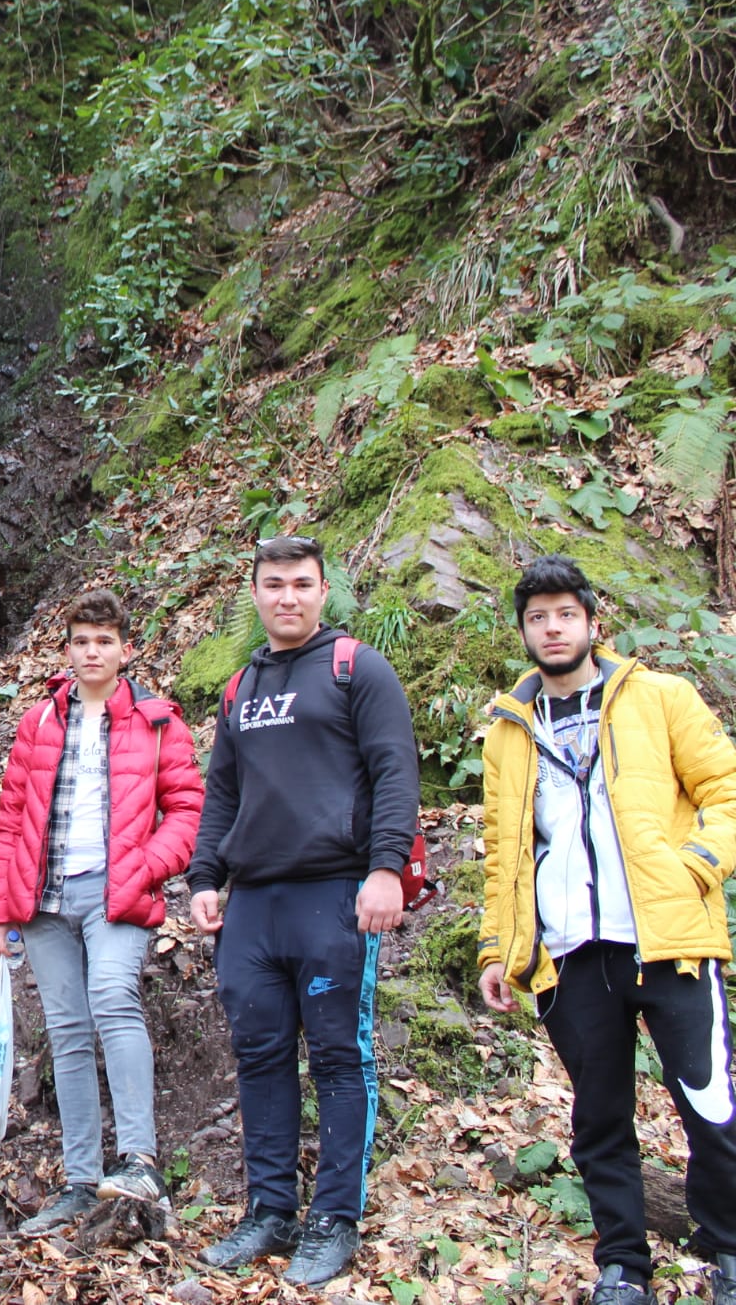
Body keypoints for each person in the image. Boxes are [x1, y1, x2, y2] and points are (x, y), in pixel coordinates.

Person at [477, 555, 736, 1305]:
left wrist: (697, 865)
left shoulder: (660, 697)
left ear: (593, 622)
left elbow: (725, 787)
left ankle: (728, 1250)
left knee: (710, 1105)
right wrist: (499, 948)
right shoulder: (509, 732)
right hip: (568, 954)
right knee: (599, 1120)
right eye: (537, 618)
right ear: (523, 632)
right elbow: (503, 853)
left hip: (667, 941)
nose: (552, 628)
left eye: (566, 614)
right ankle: (623, 1266)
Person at [186, 535, 420, 1285]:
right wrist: (204, 876)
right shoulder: (240, 688)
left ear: (323, 591)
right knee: (259, 1055)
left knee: (339, 1056)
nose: (287, 597)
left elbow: (395, 770)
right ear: (255, 593)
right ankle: (270, 1210)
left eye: (301, 584)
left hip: (334, 893)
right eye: (273, 584)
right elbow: (223, 792)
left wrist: (385, 868)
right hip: (254, 903)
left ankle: (335, 1218)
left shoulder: (357, 668)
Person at [0, 590, 204, 1228]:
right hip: (44, 898)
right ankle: (80, 1180)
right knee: (67, 1031)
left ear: (125, 650)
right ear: (67, 649)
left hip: (116, 891)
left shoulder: (157, 721)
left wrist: (144, 867)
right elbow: (11, 818)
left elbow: (188, 810)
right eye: (81, 641)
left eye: (104, 641)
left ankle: (140, 1161)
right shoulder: (39, 722)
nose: (92, 652)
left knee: (113, 997)